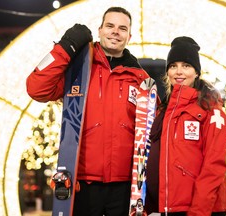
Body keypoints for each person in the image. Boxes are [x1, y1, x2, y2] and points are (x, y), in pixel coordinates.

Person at [26, 6, 150, 216]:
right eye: (110, 26)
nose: (115, 32)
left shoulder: (140, 80)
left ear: (129, 36)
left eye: (122, 28)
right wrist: (65, 48)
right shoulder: (78, 70)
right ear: (100, 29)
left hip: (123, 187)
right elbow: (36, 88)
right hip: (82, 183)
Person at [145, 36, 226, 216]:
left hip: (198, 209)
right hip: (169, 207)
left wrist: (199, 211)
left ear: (197, 72)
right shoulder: (164, 111)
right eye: (173, 66)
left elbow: (214, 166)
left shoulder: (212, 111)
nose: (179, 71)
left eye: (186, 65)